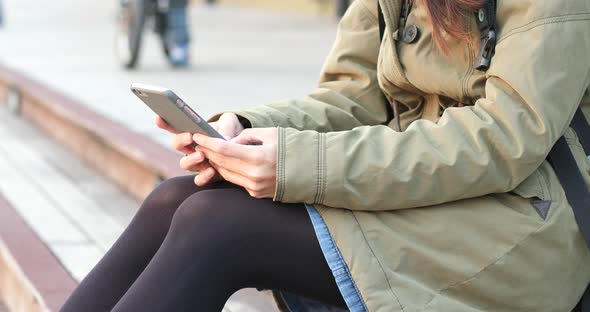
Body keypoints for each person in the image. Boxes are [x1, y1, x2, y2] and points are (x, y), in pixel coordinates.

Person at [61, 0, 590, 311]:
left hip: (524, 216)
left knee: (216, 227)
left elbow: (501, 141)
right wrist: (246, 129)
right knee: (177, 197)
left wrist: (297, 166)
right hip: (424, 188)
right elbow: (355, 96)